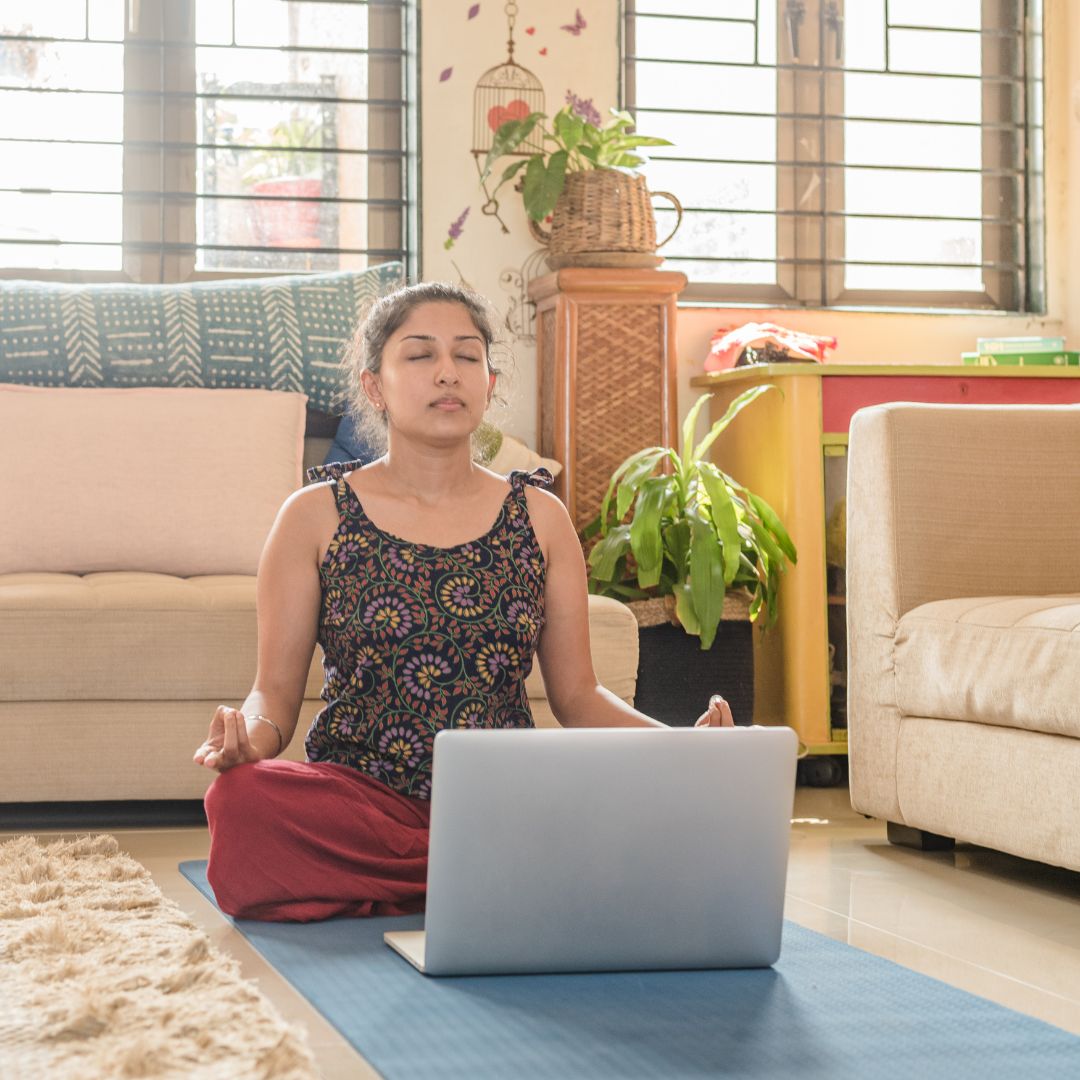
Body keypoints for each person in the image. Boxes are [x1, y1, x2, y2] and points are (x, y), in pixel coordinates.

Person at [193, 281, 734, 922]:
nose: (447, 372)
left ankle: (452, 877)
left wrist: (681, 750)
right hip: (362, 800)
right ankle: (498, 879)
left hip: (506, 797)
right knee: (243, 801)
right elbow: (274, 696)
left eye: (467, 356)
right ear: (375, 386)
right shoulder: (314, 515)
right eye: (420, 356)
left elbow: (578, 696)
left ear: (489, 382)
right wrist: (250, 744)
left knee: (634, 795)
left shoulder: (540, 515)